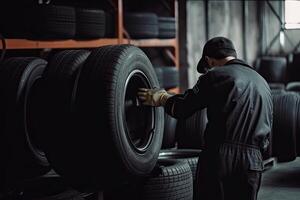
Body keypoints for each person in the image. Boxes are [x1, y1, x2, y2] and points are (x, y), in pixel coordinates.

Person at [138, 36, 273, 200]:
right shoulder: (263, 82)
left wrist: (162, 98)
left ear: (209, 61)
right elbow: (268, 129)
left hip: (220, 157)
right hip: (253, 161)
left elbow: (183, 108)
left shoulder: (216, 75)